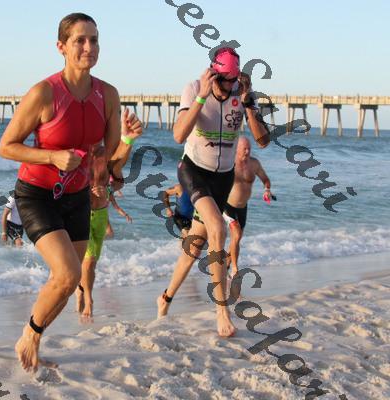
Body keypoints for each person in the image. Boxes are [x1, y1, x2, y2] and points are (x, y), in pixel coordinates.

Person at [0, 13, 142, 373]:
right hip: (37, 194)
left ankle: (35, 339)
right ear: (61, 46)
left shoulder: (108, 95)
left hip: (77, 198)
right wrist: (52, 156)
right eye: (80, 40)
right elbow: (6, 146)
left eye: (94, 39)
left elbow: (110, 163)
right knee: (66, 274)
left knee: (71, 278)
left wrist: (128, 141)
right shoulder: (44, 93)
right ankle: (29, 335)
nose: (89, 47)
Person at [157, 47, 270, 337]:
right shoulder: (194, 88)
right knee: (218, 228)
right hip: (194, 170)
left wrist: (248, 103)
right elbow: (178, 135)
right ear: (212, 74)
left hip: (223, 178)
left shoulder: (241, 93)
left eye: (233, 81)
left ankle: (165, 298)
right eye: (223, 81)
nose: (228, 88)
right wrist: (202, 97)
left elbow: (263, 141)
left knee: (194, 247)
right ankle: (222, 312)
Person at [76, 145, 132, 320]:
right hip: (81, 214)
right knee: (88, 261)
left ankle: (81, 288)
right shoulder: (77, 152)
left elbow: (118, 182)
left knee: (91, 263)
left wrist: (108, 190)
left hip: (101, 215)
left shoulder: (107, 154)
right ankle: (89, 299)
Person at [224, 136, 274, 280]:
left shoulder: (254, 163)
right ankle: (235, 270)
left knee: (236, 239)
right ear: (237, 148)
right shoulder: (229, 162)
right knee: (236, 234)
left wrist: (267, 189)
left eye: (249, 149)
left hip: (243, 207)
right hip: (227, 205)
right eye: (244, 149)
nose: (247, 151)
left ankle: (226, 266)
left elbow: (265, 179)